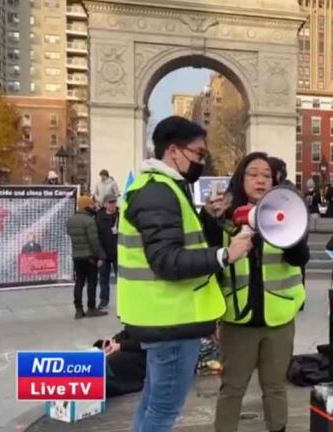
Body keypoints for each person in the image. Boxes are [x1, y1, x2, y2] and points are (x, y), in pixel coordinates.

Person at [117, 116, 251, 431]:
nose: (201, 161)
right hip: (171, 321)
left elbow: (178, 242)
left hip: (163, 318)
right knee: (163, 412)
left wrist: (206, 217)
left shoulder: (160, 189)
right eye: (199, 153)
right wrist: (226, 254)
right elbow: (167, 260)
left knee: (152, 404)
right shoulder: (159, 192)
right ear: (174, 151)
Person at [212, 153, 308, 432]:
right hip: (238, 320)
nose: (261, 179)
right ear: (241, 178)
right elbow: (212, 267)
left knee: (275, 387)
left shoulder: (286, 212)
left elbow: (298, 260)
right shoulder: (225, 217)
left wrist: (289, 229)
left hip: (278, 319)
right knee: (232, 388)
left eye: (266, 175)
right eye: (253, 174)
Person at [67, 195, 107, 319]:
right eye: (91, 204)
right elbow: (93, 240)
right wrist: (101, 255)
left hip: (77, 255)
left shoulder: (71, 220)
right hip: (90, 256)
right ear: (86, 206)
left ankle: (78, 309)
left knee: (79, 282)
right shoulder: (89, 221)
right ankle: (91, 308)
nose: (93, 206)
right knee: (92, 282)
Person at [93, 330, 146, 398]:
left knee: (112, 361)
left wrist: (121, 345)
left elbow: (149, 341)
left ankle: (99, 385)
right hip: (136, 343)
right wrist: (113, 341)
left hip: (146, 353)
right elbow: (129, 330)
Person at [95, 194, 119, 310]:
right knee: (104, 278)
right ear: (105, 204)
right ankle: (104, 300)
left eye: (113, 202)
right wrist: (99, 253)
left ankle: (123, 300)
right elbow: (96, 235)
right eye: (110, 203)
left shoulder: (120, 216)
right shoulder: (99, 216)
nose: (112, 205)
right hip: (104, 252)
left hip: (118, 252)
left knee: (121, 278)